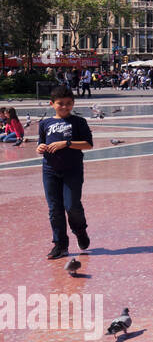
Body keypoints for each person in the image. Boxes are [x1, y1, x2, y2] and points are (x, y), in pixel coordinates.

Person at [37, 85, 94, 260]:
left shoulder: (78, 122)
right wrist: (40, 147)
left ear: (73, 103)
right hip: (50, 170)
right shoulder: (45, 123)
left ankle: (80, 230)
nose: (64, 107)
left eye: (69, 103)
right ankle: (60, 245)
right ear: (52, 104)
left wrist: (67, 143)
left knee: (71, 206)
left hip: (72, 170)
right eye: (60, 103)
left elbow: (88, 144)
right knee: (55, 209)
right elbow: (41, 143)